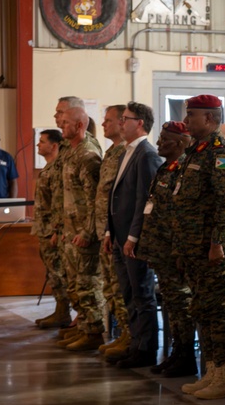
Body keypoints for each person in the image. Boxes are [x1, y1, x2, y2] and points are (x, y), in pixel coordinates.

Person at [175, 95, 225, 400]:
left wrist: (216, 243)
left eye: (192, 116)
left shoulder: (219, 152)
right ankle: (212, 372)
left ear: (210, 119)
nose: (187, 121)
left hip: (211, 248)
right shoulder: (195, 151)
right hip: (193, 247)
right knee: (203, 309)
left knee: (217, 311)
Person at [104, 102, 164, 368]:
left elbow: (144, 200)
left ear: (139, 122)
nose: (120, 123)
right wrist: (109, 230)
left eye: (125, 119)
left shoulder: (147, 154)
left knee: (142, 294)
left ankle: (146, 349)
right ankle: (134, 343)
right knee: (128, 293)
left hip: (133, 238)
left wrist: (133, 237)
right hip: (119, 235)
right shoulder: (126, 152)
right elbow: (115, 195)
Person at [140, 121, 198, 378]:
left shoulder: (186, 169)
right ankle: (177, 352)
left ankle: (186, 356)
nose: (159, 143)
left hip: (176, 250)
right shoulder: (167, 168)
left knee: (182, 303)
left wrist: (178, 249)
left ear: (181, 143)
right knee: (173, 303)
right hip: (161, 248)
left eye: (164, 139)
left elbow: (184, 214)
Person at [56, 106, 105, 351]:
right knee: (75, 284)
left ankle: (94, 332)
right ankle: (84, 327)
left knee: (87, 284)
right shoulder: (71, 152)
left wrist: (87, 232)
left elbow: (95, 198)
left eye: (65, 123)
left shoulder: (87, 154)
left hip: (84, 234)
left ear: (79, 126)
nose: (60, 126)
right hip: (71, 231)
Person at [93, 105, 130, 359]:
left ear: (122, 123)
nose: (103, 124)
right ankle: (121, 335)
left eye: (109, 121)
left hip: (118, 231)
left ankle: (129, 336)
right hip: (105, 231)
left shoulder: (126, 153)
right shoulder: (111, 152)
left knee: (119, 286)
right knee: (110, 287)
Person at [33, 129, 73, 330]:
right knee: (52, 273)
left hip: (52, 231)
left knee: (58, 273)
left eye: (42, 142)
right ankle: (60, 310)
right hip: (44, 229)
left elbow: (58, 203)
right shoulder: (48, 168)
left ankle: (63, 313)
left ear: (54, 145)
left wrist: (56, 230)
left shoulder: (57, 169)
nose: (38, 145)